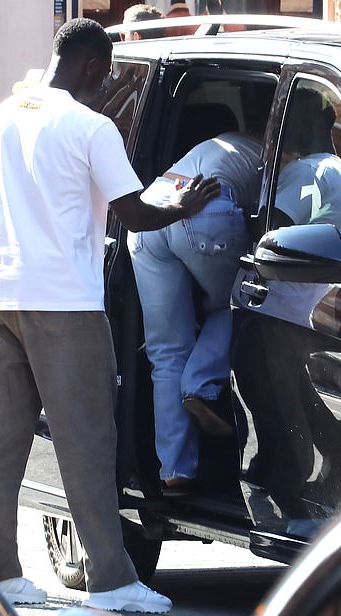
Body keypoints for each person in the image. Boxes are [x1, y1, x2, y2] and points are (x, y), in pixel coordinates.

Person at [0, 18, 218, 610]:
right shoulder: (90, 127)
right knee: (88, 442)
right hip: (67, 306)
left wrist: (3, 254)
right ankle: (111, 582)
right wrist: (187, 203)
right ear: (93, 68)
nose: (103, 88)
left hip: (8, 300)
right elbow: (135, 214)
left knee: (0, 443)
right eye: (103, 77)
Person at [128, 132, 261, 492]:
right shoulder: (279, 154)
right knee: (240, 300)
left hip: (152, 208)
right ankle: (200, 386)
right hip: (202, 206)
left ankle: (175, 469)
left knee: (166, 351)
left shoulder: (214, 146)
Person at [275, 87, 341, 238]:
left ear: (303, 127)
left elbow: (270, 232)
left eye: (286, 121)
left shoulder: (309, 170)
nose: (279, 129)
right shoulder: (332, 167)